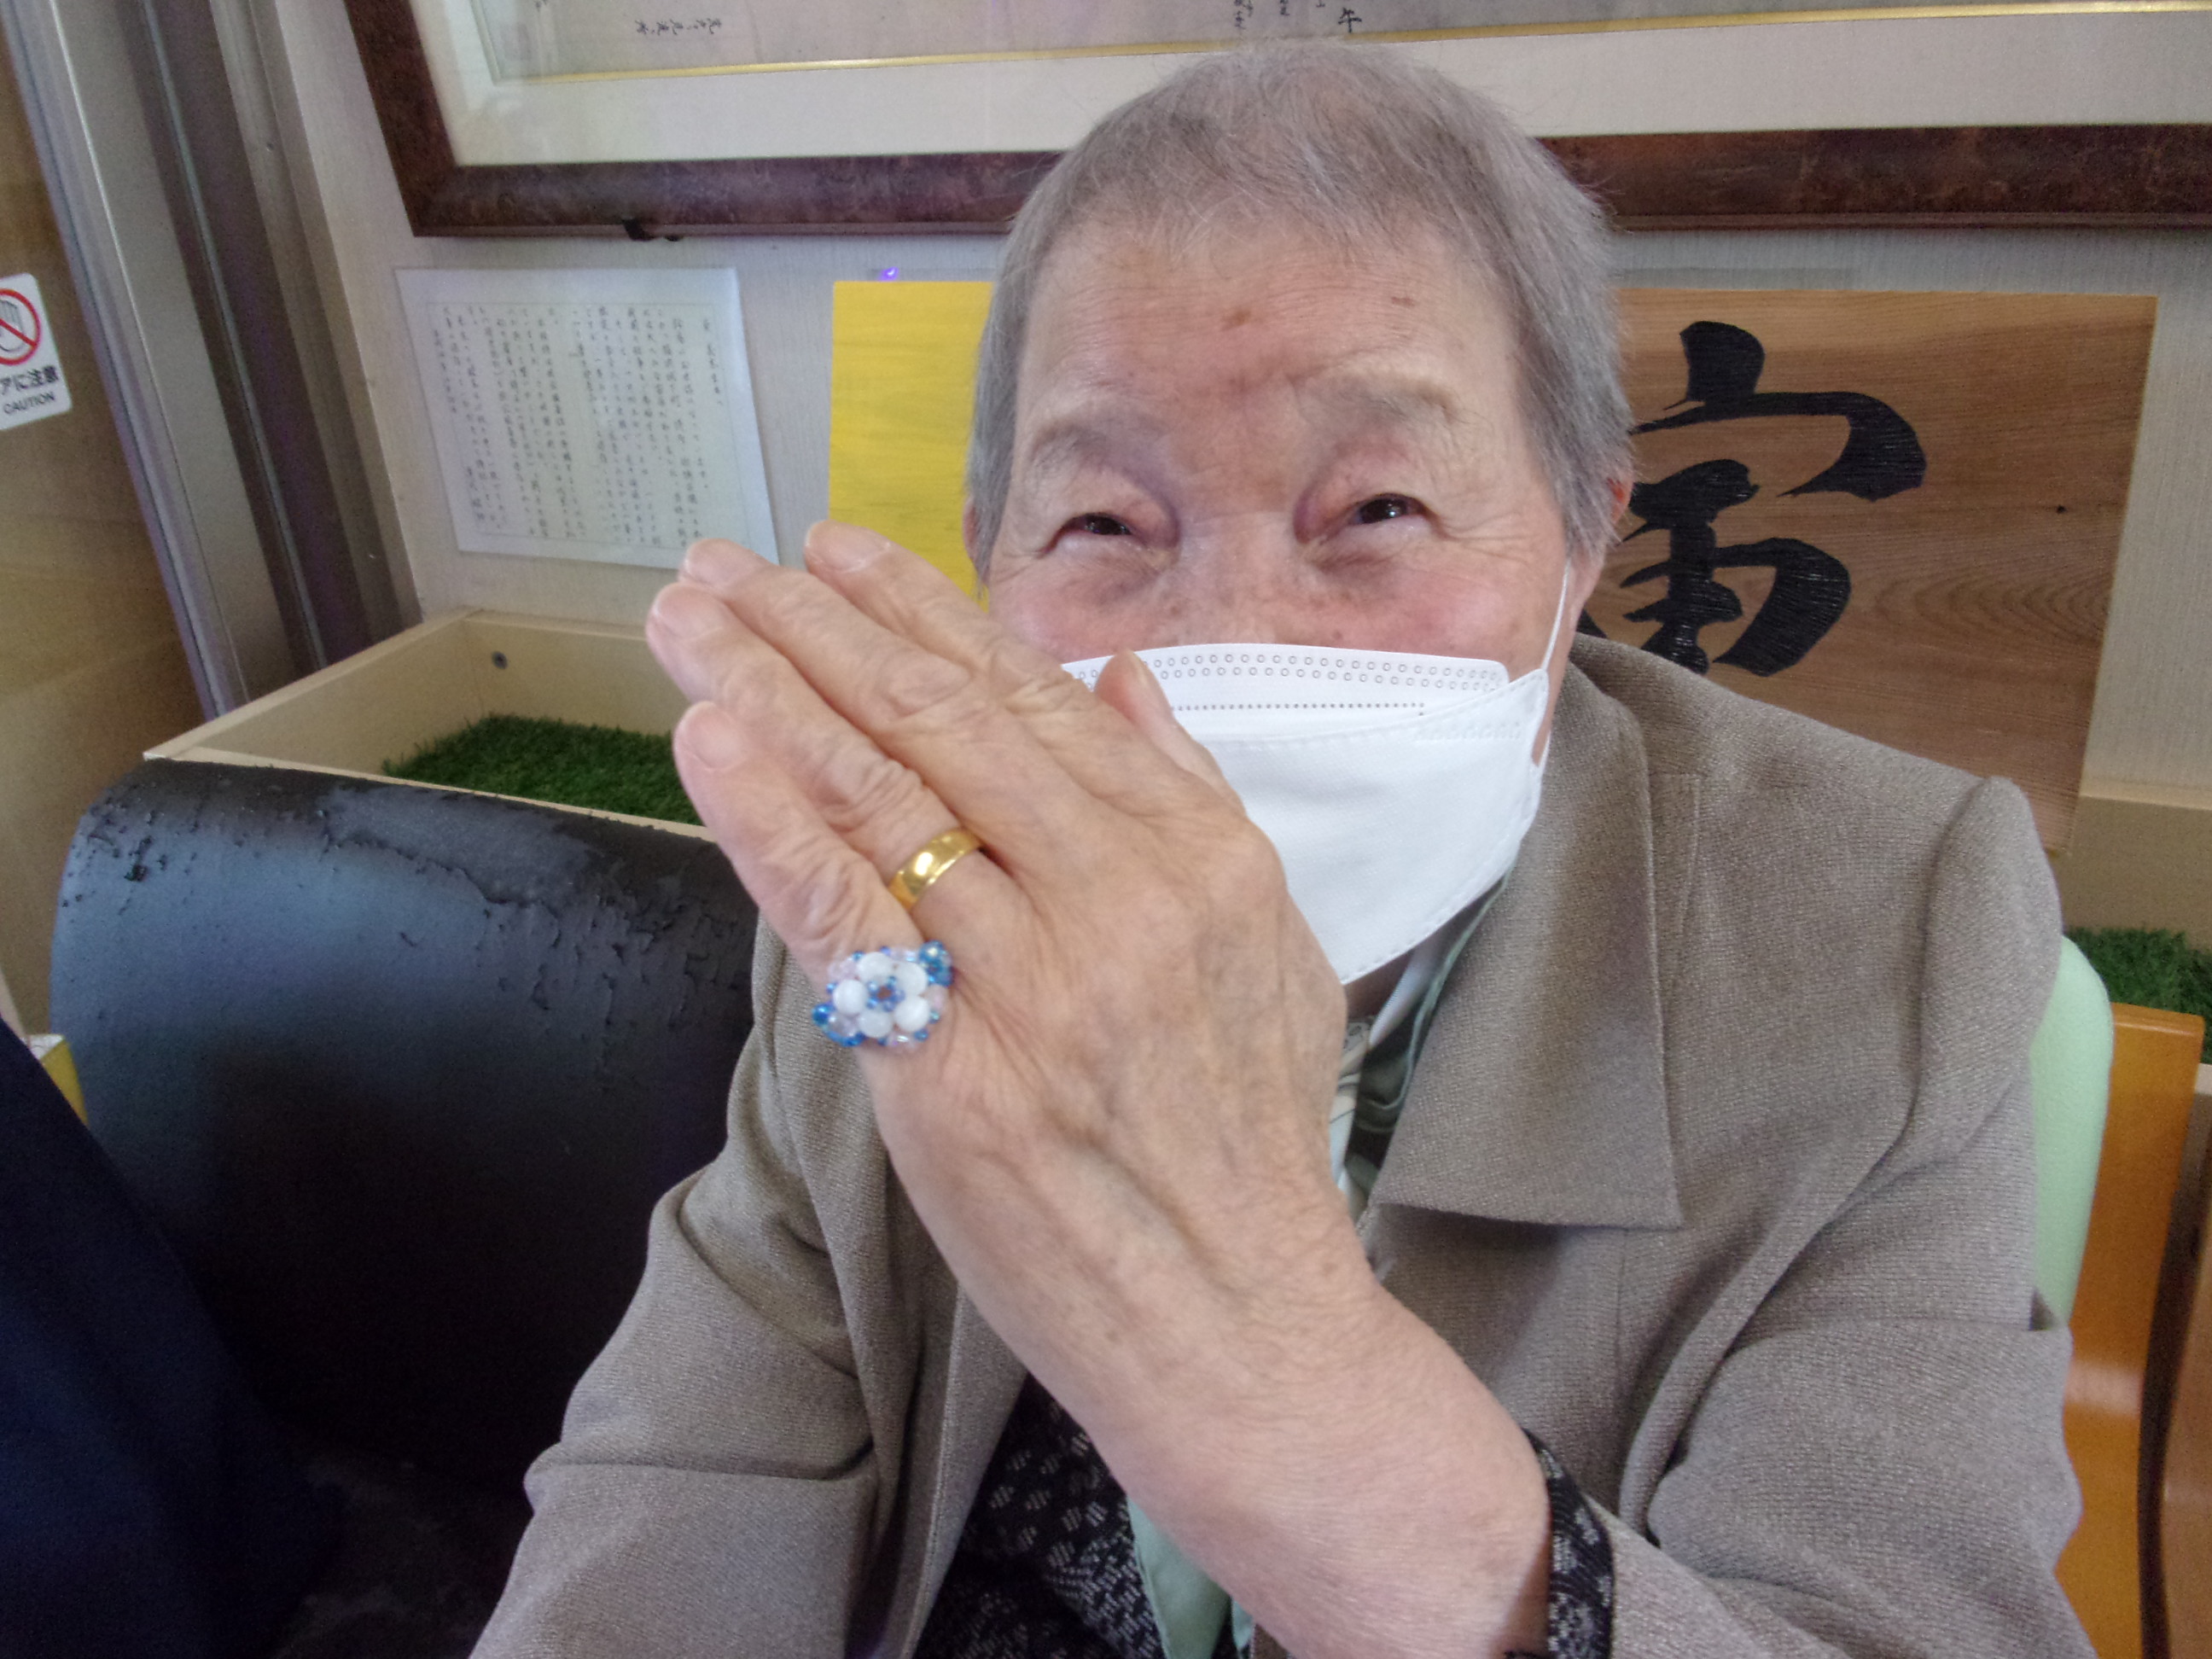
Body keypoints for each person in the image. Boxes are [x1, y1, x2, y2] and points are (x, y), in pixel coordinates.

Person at [475, 44, 2089, 1659]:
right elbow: (687, 1478)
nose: (1232, 628)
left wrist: (1266, 1369)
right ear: (986, 565)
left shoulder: (1891, 929)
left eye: (1380, 508)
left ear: (1585, 529)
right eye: (1104, 524)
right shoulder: (889, 894)